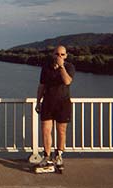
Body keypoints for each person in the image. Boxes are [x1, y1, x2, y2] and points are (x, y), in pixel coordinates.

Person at [34, 45, 75, 173]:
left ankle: (59, 156)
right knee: (46, 130)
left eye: (62, 54)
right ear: (53, 54)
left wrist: (61, 67)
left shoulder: (69, 67)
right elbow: (42, 86)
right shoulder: (46, 67)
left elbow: (67, 81)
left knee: (61, 131)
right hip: (48, 103)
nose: (59, 56)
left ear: (66, 56)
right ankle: (47, 156)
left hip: (63, 104)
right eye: (57, 54)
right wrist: (38, 102)